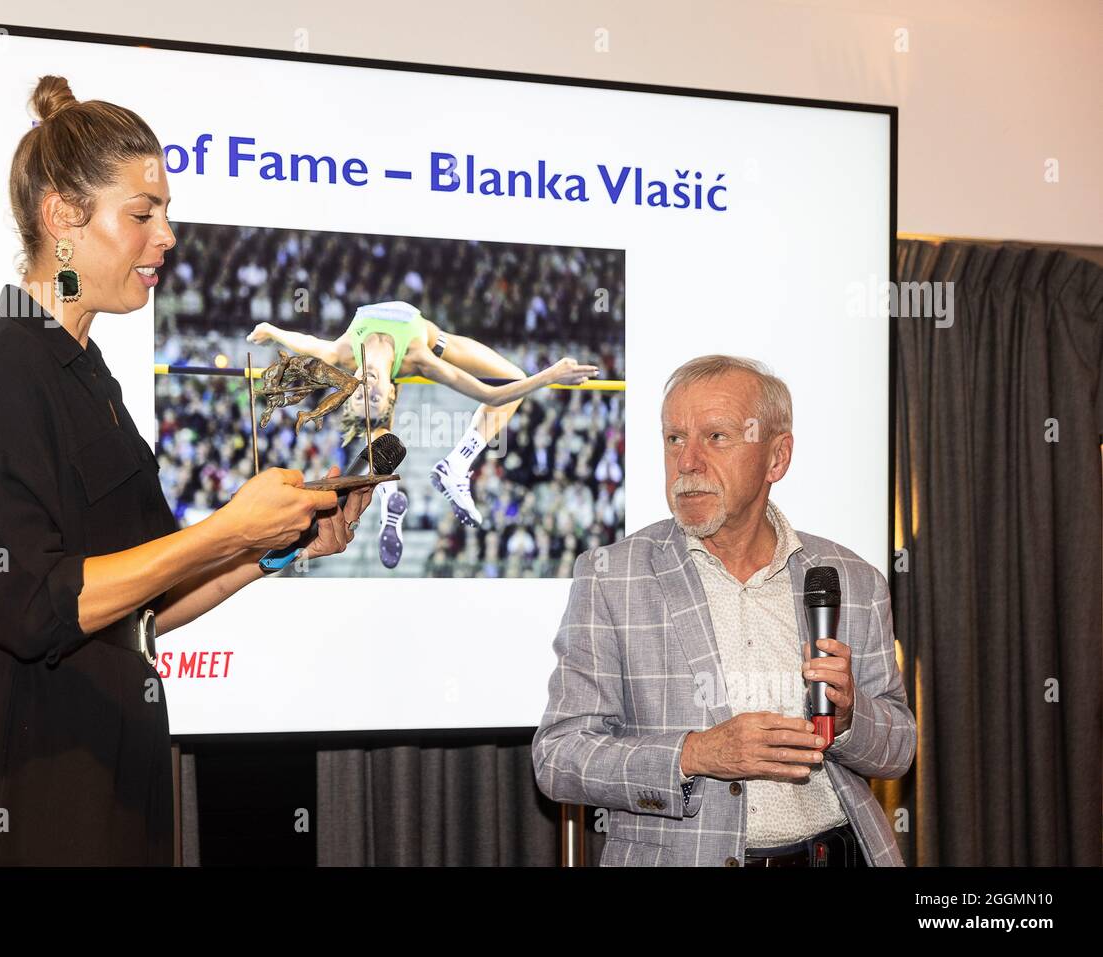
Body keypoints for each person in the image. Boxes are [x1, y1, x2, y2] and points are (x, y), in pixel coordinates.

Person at [0, 76, 371, 866]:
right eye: (142, 214)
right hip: (27, 786)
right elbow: (31, 605)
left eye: (166, 214)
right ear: (61, 218)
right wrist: (227, 527)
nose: (166, 236)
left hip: (118, 774)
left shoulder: (91, 375)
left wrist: (267, 550)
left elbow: (144, 608)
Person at [532, 355, 916, 866]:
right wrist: (698, 753)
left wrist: (849, 719)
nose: (687, 462)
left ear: (777, 458)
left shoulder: (852, 579)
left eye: (716, 437)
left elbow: (898, 750)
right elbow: (560, 757)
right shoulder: (612, 576)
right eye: (674, 439)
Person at [247, 301, 599, 566]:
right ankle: (422, 483)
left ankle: (423, 483)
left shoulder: (344, 354)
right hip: (440, 343)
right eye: (374, 395)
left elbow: (305, 340)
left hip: (441, 340)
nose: (367, 388)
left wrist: (271, 329)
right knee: (515, 378)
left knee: (511, 377)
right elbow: (491, 394)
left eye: (361, 392)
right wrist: (550, 375)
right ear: (392, 392)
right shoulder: (419, 360)